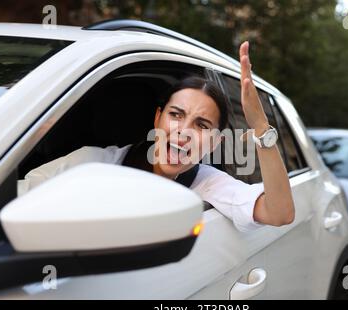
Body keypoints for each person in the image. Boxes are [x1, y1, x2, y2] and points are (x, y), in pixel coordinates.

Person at [17, 41, 295, 232]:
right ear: (157, 118)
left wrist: (259, 125)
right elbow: (12, 202)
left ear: (214, 142)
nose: (183, 131)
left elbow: (280, 213)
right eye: (176, 114)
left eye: (201, 125)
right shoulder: (94, 164)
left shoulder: (207, 183)